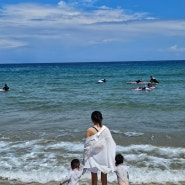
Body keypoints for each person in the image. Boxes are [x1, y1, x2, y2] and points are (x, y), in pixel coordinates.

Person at [83, 111, 116, 185]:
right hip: (104, 156)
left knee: (94, 177)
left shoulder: (90, 130)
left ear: (92, 119)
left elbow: (87, 146)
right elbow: (111, 143)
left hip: (93, 157)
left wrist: (85, 158)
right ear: (101, 119)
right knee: (104, 178)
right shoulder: (106, 129)